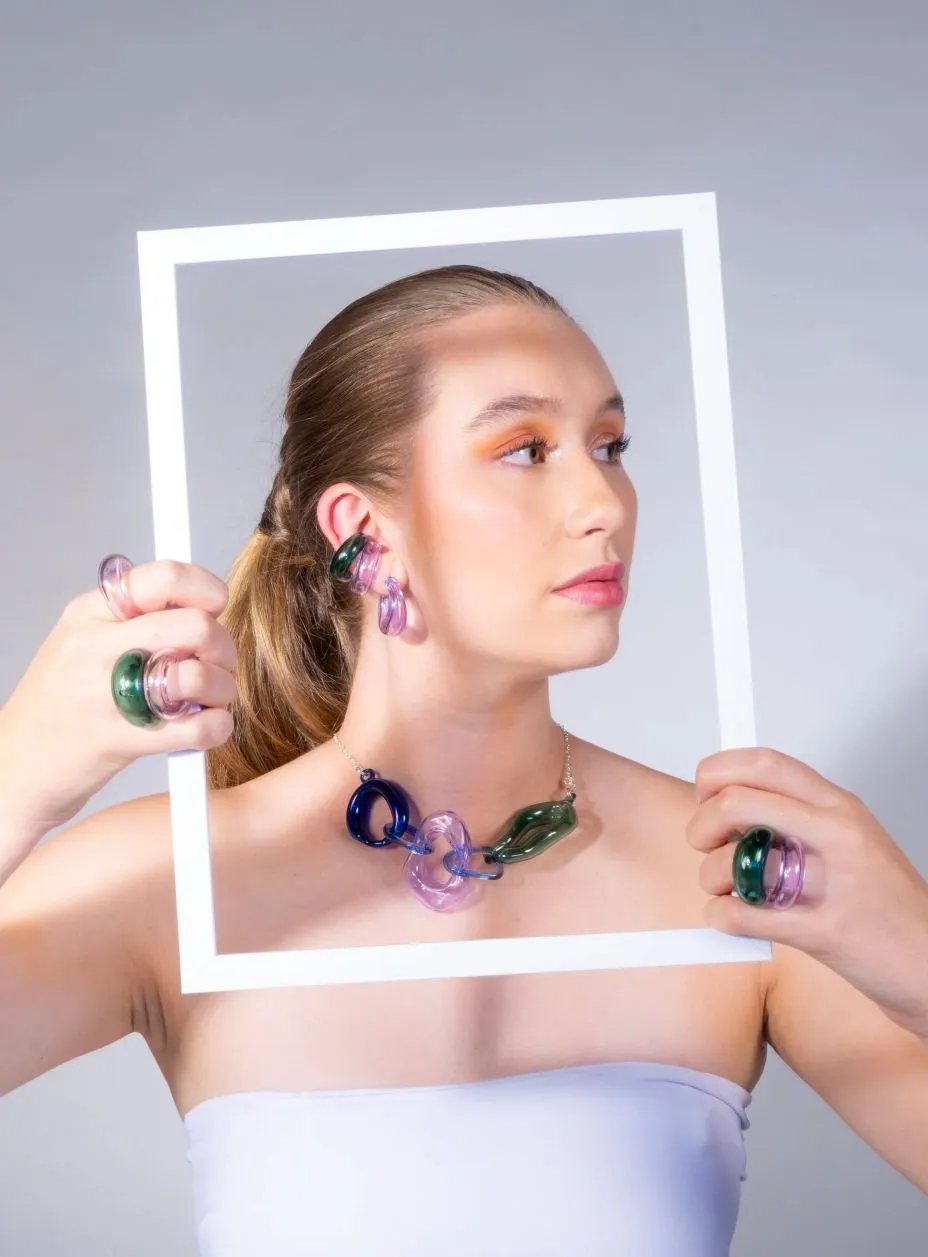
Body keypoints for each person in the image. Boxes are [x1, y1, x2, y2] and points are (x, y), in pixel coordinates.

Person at [1, 263, 927, 1257]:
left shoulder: (742, 879)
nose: (604, 502)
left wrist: (917, 952)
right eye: (525, 449)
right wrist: (16, 775)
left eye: (610, 446)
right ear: (363, 529)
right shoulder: (171, 882)